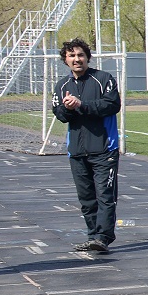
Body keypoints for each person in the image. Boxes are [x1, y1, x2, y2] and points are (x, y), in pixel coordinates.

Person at [52, 38, 122, 254]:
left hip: (104, 150)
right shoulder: (62, 86)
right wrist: (68, 108)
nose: (77, 59)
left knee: (105, 196)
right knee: (86, 199)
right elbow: (59, 114)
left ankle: (103, 237)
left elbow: (112, 105)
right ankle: (93, 237)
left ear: (87, 57)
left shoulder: (104, 79)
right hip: (77, 151)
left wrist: (81, 105)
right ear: (65, 60)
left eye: (80, 55)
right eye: (72, 56)